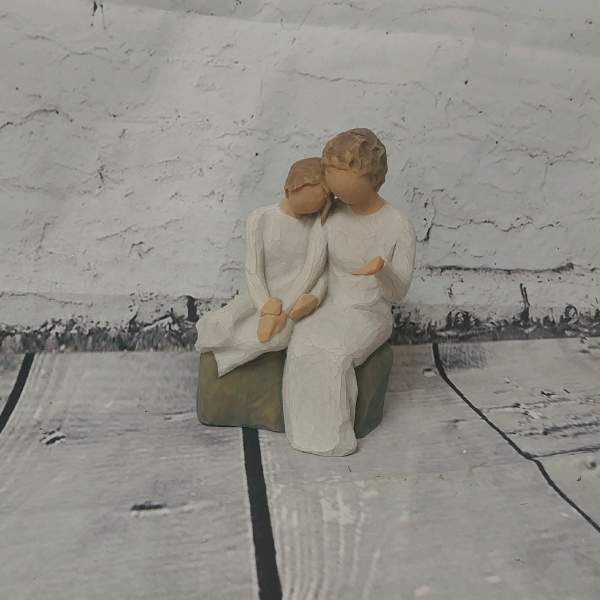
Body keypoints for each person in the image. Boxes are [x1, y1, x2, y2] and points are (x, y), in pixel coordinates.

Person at [282, 128, 417, 456]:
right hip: (330, 305)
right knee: (301, 344)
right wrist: (289, 303)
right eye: (330, 173)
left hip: (369, 313)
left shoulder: (396, 224)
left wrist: (382, 269)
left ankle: (333, 437)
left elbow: (398, 292)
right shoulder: (332, 216)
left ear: (369, 177)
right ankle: (303, 433)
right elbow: (314, 268)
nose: (332, 184)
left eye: (340, 174)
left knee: (335, 353)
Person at [195, 157, 331, 376]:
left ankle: (228, 362)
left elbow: (314, 271)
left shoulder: (317, 226)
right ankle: (219, 352)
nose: (316, 204)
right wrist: (265, 305)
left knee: (278, 337)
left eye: (323, 198)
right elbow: (253, 270)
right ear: (292, 187)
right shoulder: (261, 218)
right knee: (219, 323)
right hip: (260, 292)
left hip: (294, 294)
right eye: (312, 195)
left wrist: (290, 307)